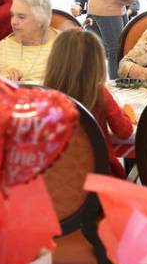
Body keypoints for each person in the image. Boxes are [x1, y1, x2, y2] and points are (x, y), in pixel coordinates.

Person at [43, 29, 133, 178]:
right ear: (97, 64)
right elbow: (124, 131)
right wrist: (125, 112)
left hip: (56, 179)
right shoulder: (100, 94)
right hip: (99, 177)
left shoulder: (44, 97)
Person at [0, 0, 58, 83]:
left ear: (41, 19)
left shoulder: (62, 45)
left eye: (21, 17)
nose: (13, 22)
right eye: (12, 15)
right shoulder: (6, 45)